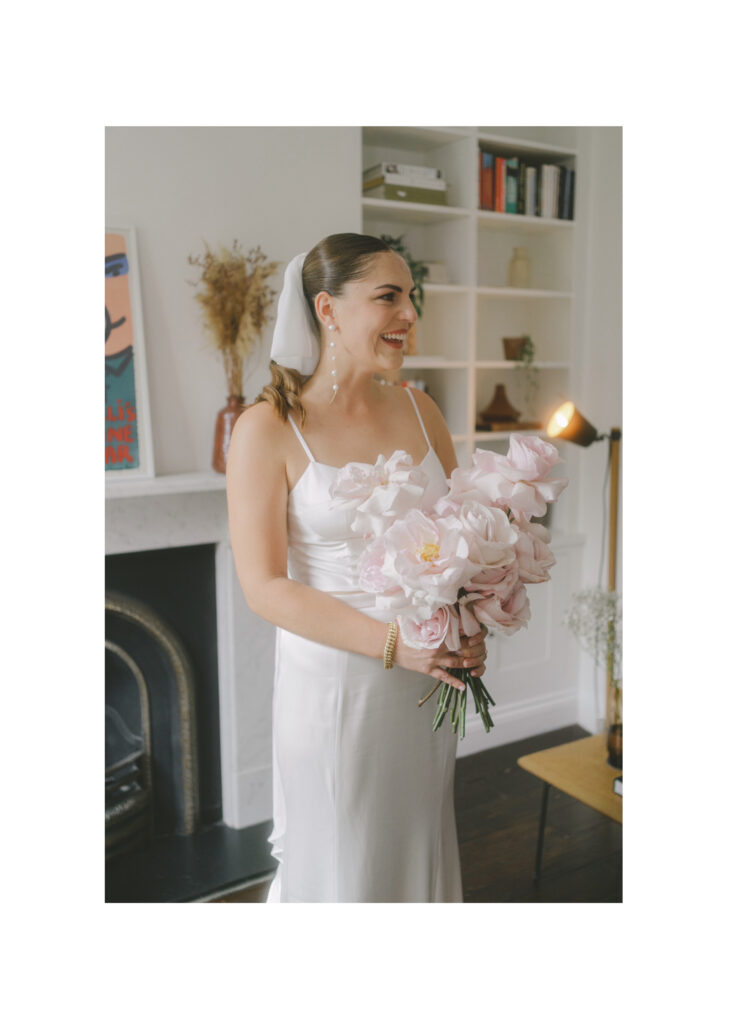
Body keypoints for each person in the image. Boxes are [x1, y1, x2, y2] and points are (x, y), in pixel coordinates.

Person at [226, 232, 487, 902]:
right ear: (328, 309)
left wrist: (467, 624)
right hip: (338, 690)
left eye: (411, 297)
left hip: (427, 690)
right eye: (387, 297)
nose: (408, 314)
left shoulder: (420, 410)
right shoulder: (266, 428)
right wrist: (395, 644)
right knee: (345, 861)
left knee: (415, 842)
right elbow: (264, 587)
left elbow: (457, 540)